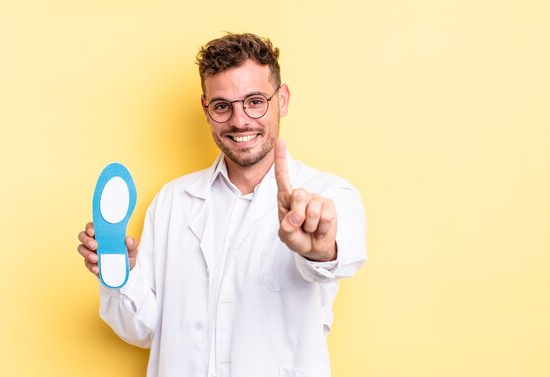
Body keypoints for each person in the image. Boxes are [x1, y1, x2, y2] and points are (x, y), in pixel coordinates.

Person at [77, 32, 367, 377]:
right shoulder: (172, 201)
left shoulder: (329, 194)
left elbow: (341, 254)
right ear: (206, 109)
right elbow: (144, 330)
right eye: (222, 106)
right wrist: (123, 275)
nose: (239, 120)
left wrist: (317, 251)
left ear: (283, 100)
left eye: (255, 101)